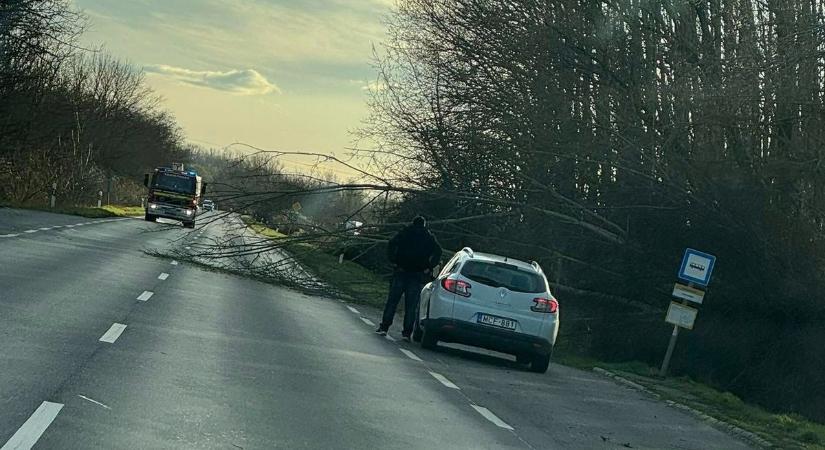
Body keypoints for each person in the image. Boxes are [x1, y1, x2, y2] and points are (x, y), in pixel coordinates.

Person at [376, 216, 442, 341]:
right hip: (417, 274)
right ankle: (406, 333)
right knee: (411, 306)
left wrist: (393, 260)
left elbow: (391, 243)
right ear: (424, 224)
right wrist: (429, 266)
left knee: (392, 301)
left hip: (401, 271)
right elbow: (438, 251)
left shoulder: (405, 232)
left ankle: (384, 327)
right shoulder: (428, 237)